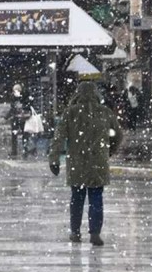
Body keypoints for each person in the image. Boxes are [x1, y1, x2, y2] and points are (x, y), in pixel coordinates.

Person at [48, 82, 123, 246]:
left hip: (77, 162)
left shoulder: (70, 113)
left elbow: (58, 138)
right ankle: (95, 233)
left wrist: (54, 159)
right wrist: (109, 151)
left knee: (77, 197)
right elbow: (118, 134)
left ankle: (75, 232)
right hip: (98, 162)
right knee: (96, 197)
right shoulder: (105, 112)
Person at [5, 83, 32, 157]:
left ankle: (21, 150)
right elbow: (13, 108)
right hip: (18, 118)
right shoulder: (16, 97)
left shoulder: (24, 97)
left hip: (21, 118)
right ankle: (20, 150)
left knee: (22, 135)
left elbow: (27, 106)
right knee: (21, 135)